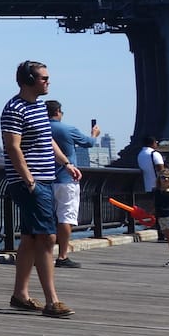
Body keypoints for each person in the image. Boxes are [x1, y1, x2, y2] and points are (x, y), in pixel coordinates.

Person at [1, 59, 80, 319]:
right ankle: (52, 301)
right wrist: (30, 181)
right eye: (44, 78)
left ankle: (20, 295)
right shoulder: (15, 109)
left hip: (45, 180)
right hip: (31, 183)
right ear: (29, 80)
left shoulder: (38, 108)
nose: (48, 81)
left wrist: (66, 163)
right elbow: (13, 147)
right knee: (48, 238)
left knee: (30, 239)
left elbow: (47, 141)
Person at [46, 101, 100, 268]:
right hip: (66, 180)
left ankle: (43, 255)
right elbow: (88, 143)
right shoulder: (67, 129)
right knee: (65, 217)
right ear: (58, 112)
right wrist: (94, 133)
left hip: (44, 180)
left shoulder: (39, 129)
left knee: (46, 219)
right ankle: (62, 256)